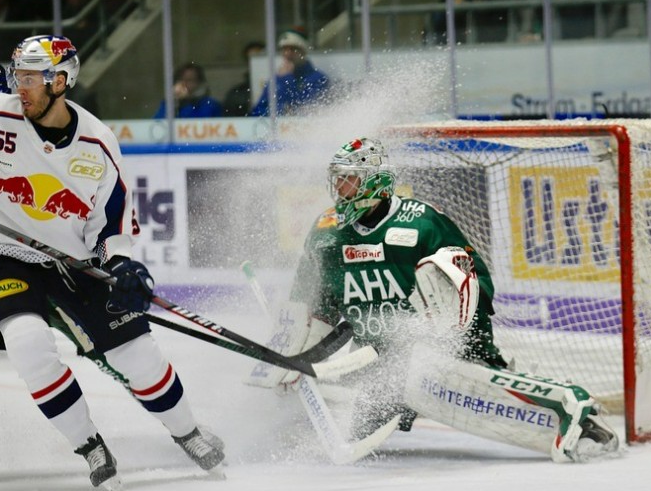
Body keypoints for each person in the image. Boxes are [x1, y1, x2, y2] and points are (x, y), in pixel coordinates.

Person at [0, 35, 224, 491]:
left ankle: (188, 432)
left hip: (74, 264)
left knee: (138, 357)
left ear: (60, 81)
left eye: (30, 79)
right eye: (16, 76)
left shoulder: (97, 143)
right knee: (27, 344)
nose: (19, 87)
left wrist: (122, 265)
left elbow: (114, 224)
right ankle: (89, 445)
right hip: (5, 256)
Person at [260, 137, 621, 463]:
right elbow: (315, 305)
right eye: (337, 180)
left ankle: (574, 410)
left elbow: (471, 282)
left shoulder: (423, 223)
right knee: (356, 427)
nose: (340, 189)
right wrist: (295, 356)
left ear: (375, 181)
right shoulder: (326, 233)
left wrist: (452, 338)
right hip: (378, 363)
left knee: (473, 398)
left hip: (442, 349)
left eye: (349, 179)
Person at [0, 59, 155, 464]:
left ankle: (170, 416)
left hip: (48, 269)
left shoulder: (35, 147)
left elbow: (102, 211)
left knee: (108, 345)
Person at [249, 28, 330, 116]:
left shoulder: (318, 79)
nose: (287, 54)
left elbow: (305, 108)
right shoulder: (276, 79)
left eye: (293, 49)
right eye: (284, 49)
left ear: (303, 52)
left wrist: (287, 79)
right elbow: (257, 111)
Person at [154, 62, 224, 119]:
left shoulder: (210, 104)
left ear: (199, 83)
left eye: (189, 80)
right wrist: (174, 103)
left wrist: (186, 103)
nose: (184, 84)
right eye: (181, 80)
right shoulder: (169, 103)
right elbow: (159, 124)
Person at [223, 41, 264, 117]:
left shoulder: (280, 87)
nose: (255, 64)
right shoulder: (236, 94)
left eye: (259, 59)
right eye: (251, 60)